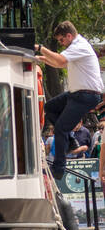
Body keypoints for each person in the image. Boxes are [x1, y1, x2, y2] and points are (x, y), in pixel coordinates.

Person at [36, 21, 104, 180]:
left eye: (61, 40)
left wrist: (40, 48)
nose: (61, 44)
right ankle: (71, 140)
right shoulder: (75, 47)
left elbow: (59, 61)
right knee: (50, 107)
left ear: (69, 36)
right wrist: (40, 58)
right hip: (77, 94)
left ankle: (58, 169)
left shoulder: (79, 45)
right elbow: (60, 64)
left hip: (86, 95)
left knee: (60, 128)